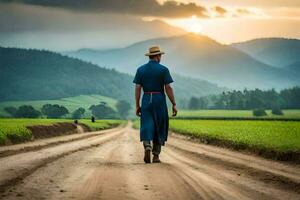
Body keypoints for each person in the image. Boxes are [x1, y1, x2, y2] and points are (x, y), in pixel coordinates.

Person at [133, 46, 177, 164]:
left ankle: (147, 145)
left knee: (147, 123)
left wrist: (137, 105)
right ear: (158, 56)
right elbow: (168, 87)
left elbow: (137, 88)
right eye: (160, 56)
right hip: (159, 99)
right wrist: (173, 103)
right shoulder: (163, 69)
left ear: (150, 56)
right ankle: (156, 155)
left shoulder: (140, 70)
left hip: (146, 98)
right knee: (159, 125)